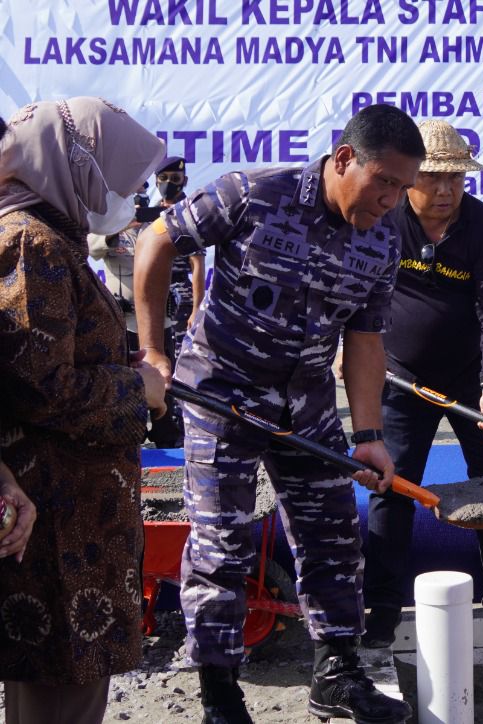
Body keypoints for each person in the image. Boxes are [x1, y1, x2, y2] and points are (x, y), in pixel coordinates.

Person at [131, 104, 423, 724]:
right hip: (222, 394)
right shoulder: (254, 194)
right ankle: (220, 694)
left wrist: (369, 436)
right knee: (222, 544)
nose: (394, 199)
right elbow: (157, 241)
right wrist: (154, 350)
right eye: (386, 182)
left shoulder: (384, 235)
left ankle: (337, 676)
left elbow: (366, 339)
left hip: (306, 401)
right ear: (345, 159)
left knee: (335, 535)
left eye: (404, 187)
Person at [0, 98, 168, 723]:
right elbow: (40, 387)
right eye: (118, 178)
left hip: (68, 517)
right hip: (59, 529)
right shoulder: (31, 244)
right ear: (72, 167)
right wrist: (139, 390)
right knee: (60, 692)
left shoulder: (50, 235)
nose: (129, 196)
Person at [362, 120, 483, 647]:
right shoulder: (385, 222)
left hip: (475, 374)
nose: (446, 190)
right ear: (408, 179)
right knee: (392, 484)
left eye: (456, 178)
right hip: (400, 377)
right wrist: (354, 349)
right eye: (433, 178)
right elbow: (358, 292)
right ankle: (379, 606)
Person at [88, 154, 204, 448]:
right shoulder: (107, 219)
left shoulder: (156, 220)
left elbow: (181, 257)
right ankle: (131, 431)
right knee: (125, 378)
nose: (137, 195)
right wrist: (119, 228)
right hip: (122, 319)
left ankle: (166, 431)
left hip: (157, 318)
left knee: (163, 375)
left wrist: (144, 221)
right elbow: (93, 249)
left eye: (140, 189)